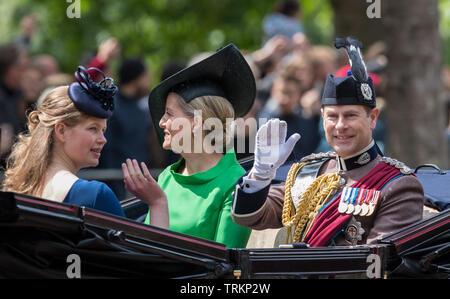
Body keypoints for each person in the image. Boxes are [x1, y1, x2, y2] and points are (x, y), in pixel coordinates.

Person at [231, 37, 424, 247]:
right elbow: (248, 217)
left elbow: (377, 263)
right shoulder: (308, 172)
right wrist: (259, 176)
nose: (340, 126)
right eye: (332, 116)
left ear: (373, 118)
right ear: (322, 118)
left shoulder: (397, 185)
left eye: (350, 115)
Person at [1, 66, 169, 229]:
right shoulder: (94, 195)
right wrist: (157, 203)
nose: (103, 139)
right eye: (92, 129)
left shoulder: (20, 191)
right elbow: (142, 258)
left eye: (103, 130)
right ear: (61, 130)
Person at [142, 44, 255, 248]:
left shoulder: (236, 184)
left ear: (196, 121)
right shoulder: (167, 176)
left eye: (169, 114)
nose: (161, 122)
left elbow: (226, 266)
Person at [99, 57, 164, 200]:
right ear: (137, 78)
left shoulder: (139, 107)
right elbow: (107, 149)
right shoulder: (111, 106)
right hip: (116, 188)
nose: (149, 81)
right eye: (147, 76)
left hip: (136, 187)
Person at [259, 70, 320, 161]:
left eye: (290, 93)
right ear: (273, 93)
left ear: (299, 95)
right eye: (282, 92)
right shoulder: (263, 121)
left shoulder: (307, 123)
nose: (285, 99)